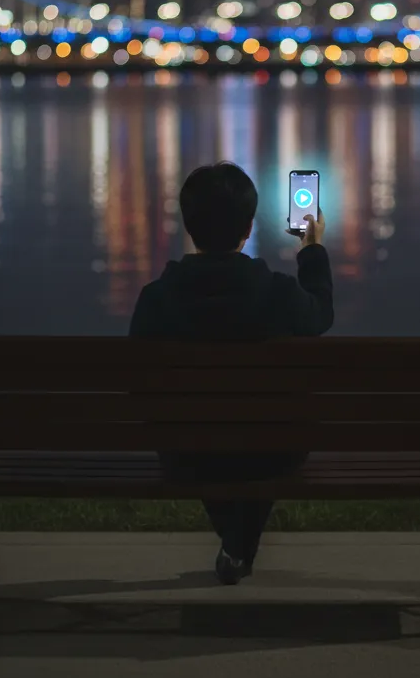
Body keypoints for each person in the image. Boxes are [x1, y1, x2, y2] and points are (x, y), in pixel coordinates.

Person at [128, 161, 333, 584]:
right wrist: (311, 249)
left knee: (208, 430)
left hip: (185, 450)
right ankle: (239, 544)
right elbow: (321, 315)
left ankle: (235, 543)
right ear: (249, 227)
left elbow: (140, 386)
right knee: (269, 431)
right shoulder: (278, 294)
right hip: (272, 449)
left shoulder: (155, 299)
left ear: (189, 226)